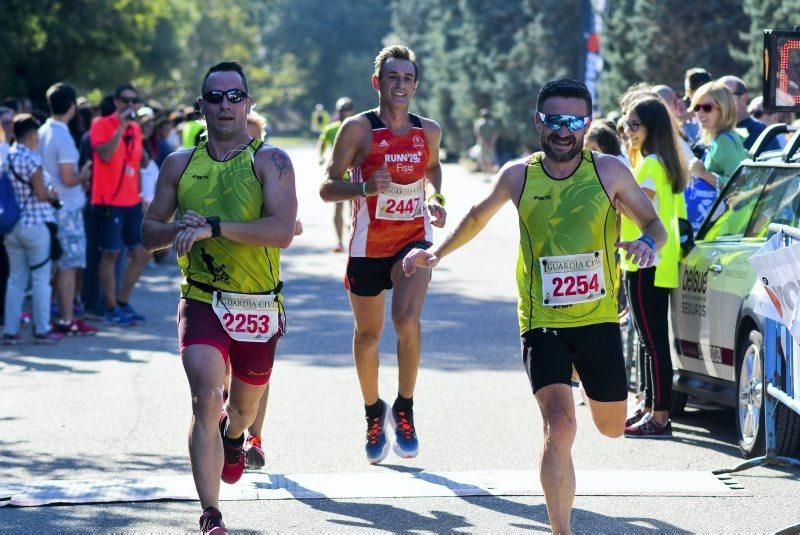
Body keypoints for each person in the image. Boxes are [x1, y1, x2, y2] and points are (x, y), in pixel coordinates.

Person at [403, 79, 666, 533]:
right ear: (538, 121)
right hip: (541, 319)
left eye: (575, 121)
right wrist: (435, 252)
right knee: (560, 428)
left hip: (599, 317)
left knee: (612, 427)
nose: (564, 131)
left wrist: (645, 243)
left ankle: (582, 376)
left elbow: (655, 226)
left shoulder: (610, 171)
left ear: (586, 123)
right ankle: (561, 529)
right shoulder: (519, 175)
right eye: (555, 120)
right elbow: (476, 217)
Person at [141, 61, 297, 535]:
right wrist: (177, 231)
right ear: (202, 106)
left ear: (247, 103)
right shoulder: (180, 164)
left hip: (257, 303)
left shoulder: (271, 161)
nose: (226, 105)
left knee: (244, 409)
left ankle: (236, 436)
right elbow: (148, 233)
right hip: (203, 298)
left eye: (235, 96)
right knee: (206, 396)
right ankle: (211, 512)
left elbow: (282, 230)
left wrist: (213, 227)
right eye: (216, 97)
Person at [319, 45, 447, 465]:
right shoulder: (357, 130)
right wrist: (363, 189)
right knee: (369, 337)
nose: (400, 85)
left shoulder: (428, 130)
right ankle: (375, 413)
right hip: (367, 246)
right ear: (378, 82)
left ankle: (405, 407)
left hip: (414, 238)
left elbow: (432, 170)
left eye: (408, 78)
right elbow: (326, 187)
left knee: (407, 321)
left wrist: (436, 198)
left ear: (415, 84)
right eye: (393, 77)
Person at [619, 97, 687, 438]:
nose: (628, 132)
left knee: (654, 342)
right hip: (655, 260)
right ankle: (649, 408)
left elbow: (629, 208)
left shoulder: (650, 165)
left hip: (649, 261)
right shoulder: (660, 162)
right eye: (625, 124)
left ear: (651, 128)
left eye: (634, 125)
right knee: (651, 341)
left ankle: (659, 418)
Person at [89, 83, 150, 325]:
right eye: (125, 100)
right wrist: (121, 126)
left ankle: (122, 301)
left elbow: (139, 164)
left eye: (134, 101)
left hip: (131, 202)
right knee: (111, 254)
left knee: (143, 253)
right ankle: (110, 307)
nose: (130, 105)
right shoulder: (101, 124)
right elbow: (104, 154)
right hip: (108, 202)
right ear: (116, 102)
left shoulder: (136, 128)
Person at [38, 82, 97, 335]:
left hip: (49, 206)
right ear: (72, 106)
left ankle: (55, 313)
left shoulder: (42, 131)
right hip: (67, 209)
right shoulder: (62, 136)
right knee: (69, 266)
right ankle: (67, 318)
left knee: (55, 265)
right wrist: (83, 173)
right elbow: (67, 177)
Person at [3, 114, 65, 345]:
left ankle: (10, 331)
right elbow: (41, 194)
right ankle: (42, 329)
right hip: (35, 224)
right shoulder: (31, 159)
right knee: (40, 279)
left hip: (12, 226)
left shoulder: (7, 157)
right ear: (31, 134)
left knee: (15, 279)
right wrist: (52, 194)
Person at [688, 81, 748, 193]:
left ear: (723, 109)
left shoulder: (723, 141)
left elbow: (738, 185)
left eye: (707, 107)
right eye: (697, 107)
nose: (700, 113)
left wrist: (703, 173)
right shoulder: (725, 137)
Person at [318, 97, 355, 252]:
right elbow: (322, 142)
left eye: (347, 109)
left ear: (352, 110)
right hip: (337, 176)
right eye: (341, 109)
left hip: (355, 176)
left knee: (355, 211)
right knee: (338, 209)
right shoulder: (331, 129)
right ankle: (340, 242)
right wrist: (320, 156)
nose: (344, 112)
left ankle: (353, 240)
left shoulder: (357, 127)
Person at [719, 75, 782, 152]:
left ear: (744, 98)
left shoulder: (761, 132)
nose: (720, 101)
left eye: (727, 95)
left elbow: (772, 163)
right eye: (718, 96)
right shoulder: (715, 129)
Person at [473, 108, 499, 174]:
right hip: (483, 144)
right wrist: (488, 142)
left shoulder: (490, 123)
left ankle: (488, 173)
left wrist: (490, 142)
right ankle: (485, 173)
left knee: (488, 158)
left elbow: (495, 134)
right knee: (484, 158)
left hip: (488, 143)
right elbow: (479, 134)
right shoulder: (480, 123)